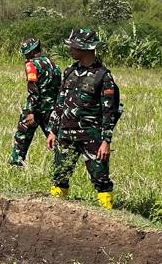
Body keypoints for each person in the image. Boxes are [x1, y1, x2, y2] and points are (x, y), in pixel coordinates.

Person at [46, 28, 123, 209]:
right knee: (60, 174)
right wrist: (53, 130)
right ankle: (56, 209)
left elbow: (109, 112)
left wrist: (106, 141)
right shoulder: (70, 72)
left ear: (85, 49)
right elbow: (60, 102)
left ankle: (107, 211)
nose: (71, 50)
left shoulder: (103, 77)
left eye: (74, 46)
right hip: (66, 134)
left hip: (92, 136)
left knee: (100, 177)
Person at [9, 37, 62, 167]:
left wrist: (31, 111)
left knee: (22, 136)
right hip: (52, 108)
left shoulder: (31, 65)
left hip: (37, 108)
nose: (26, 57)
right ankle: (62, 164)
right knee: (55, 137)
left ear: (32, 52)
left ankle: (16, 163)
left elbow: (33, 90)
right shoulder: (54, 64)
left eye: (26, 54)